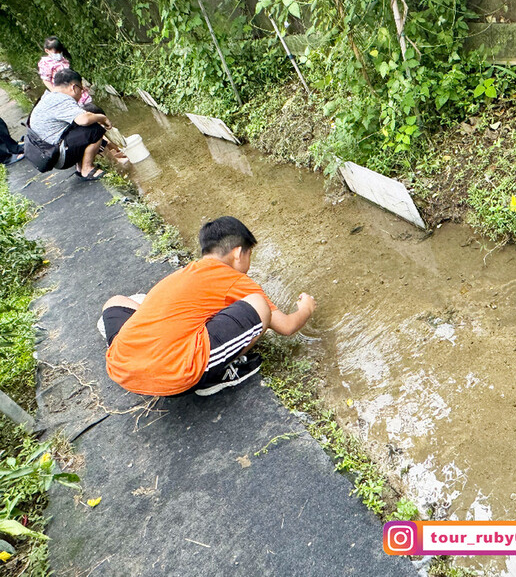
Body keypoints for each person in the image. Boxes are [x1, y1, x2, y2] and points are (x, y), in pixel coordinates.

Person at [101, 216, 317, 397]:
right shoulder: (235, 279)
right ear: (238, 253)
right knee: (260, 306)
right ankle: (218, 374)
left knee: (116, 301)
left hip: (123, 369)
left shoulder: (188, 272)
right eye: (250, 254)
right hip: (176, 375)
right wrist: (306, 308)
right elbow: (286, 326)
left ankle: (141, 352)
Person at [28, 68, 111, 181]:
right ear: (74, 87)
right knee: (95, 128)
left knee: (84, 121)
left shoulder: (48, 96)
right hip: (59, 156)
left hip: (49, 153)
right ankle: (87, 170)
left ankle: (80, 167)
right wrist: (103, 118)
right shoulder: (61, 100)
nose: (81, 94)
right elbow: (84, 120)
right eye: (81, 90)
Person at [38, 36, 92, 106]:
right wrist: (55, 93)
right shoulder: (45, 63)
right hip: (61, 90)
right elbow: (46, 80)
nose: (58, 54)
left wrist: (80, 86)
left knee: (85, 102)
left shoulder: (63, 60)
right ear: (47, 51)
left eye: (60, 52)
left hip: (72, 86)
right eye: (56, 52)